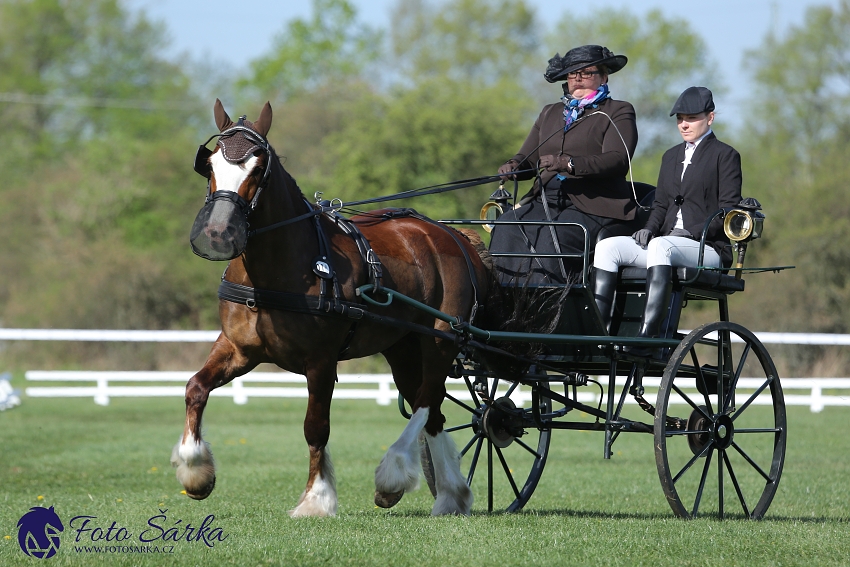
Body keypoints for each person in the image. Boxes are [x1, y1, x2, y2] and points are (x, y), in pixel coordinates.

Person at [592, 86, 743, 346]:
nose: (684, 125)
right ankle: (597, 334)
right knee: (608, 247)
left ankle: (648, 337)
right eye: (680, 119)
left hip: (707, 248)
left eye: (691, 118)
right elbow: (660, 204)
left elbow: (727, 211)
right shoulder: (670, 156)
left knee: (661, 245)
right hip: (667, 245)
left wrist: (693, 232)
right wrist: (649, 229)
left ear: (710, 117)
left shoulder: (725, 155)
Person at [491, 44, 640, 284]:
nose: (578, 78)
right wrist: (514, 166)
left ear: (604, 76)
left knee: (554, 237)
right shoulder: (550, 113)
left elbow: (618, 159)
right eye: (572, 73)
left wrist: (569, 163)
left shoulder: (617, 111)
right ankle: (504, 303)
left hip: (594, 202)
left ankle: (549, 308)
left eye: (587, 72)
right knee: (507, 226)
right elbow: (528, 158)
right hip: (547, 199)